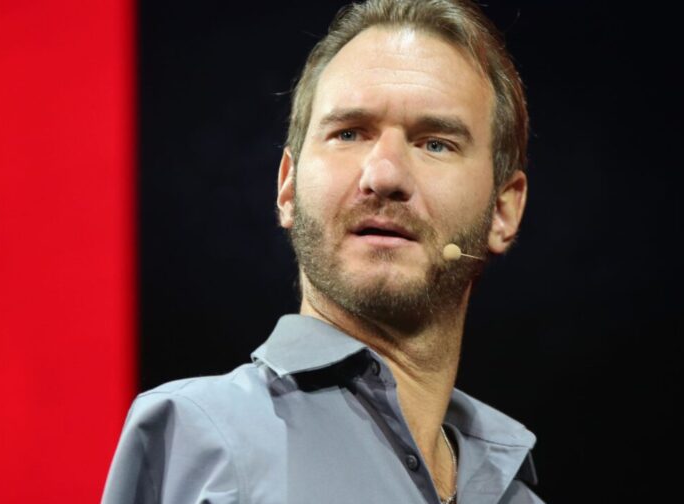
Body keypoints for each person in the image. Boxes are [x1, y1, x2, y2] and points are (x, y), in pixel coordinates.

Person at [102, 0, 537, 502]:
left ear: (503, 210)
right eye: (348, 134)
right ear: (287, 188)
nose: (384, 175)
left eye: (435, 143)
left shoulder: (516, 493)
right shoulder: (201, 444)